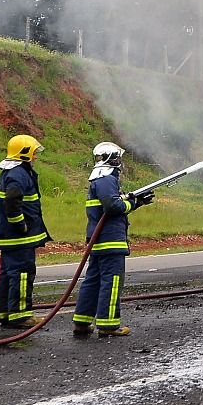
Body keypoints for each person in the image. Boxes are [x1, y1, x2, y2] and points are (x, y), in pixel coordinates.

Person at [72, 142, 153, 337]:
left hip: (99, 240)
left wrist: (134, 200)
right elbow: (112, 207)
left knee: (92, 281)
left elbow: (109, 202)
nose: (120, 161)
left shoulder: (98, 178)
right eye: (118, 158)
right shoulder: (107, 178)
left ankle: (82, 322)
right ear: (112, 158)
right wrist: (133, 203)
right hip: (110, 240)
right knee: (112, 281)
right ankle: (108, 325)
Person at [0, 134, 51, 329]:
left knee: (8, 274)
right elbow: (12, 200)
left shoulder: (8, 171)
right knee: (22, 274)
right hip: (19, 238)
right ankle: (21, 316)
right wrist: (21, 225)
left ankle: (7, 314)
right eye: (34, 153)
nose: (36, 156)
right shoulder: (18, 173)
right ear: (24, 153)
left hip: (9, 237)